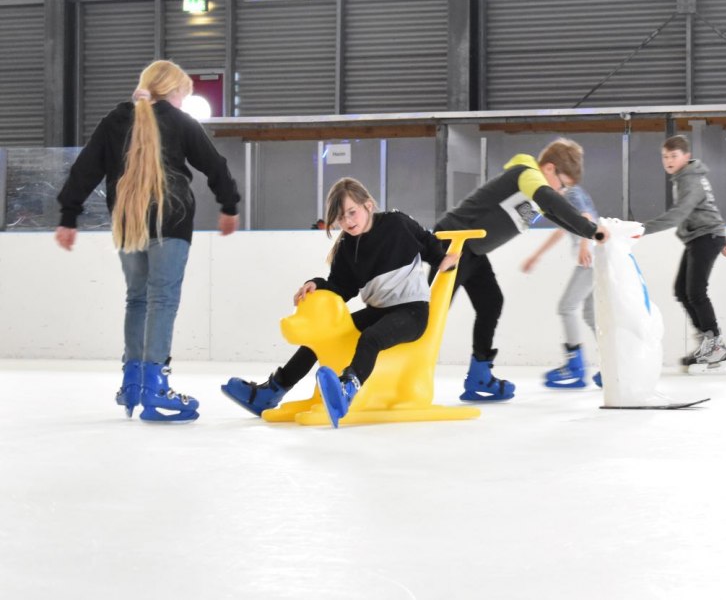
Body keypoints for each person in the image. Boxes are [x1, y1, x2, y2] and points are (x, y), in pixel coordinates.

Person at [56, 60, 240, 423]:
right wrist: (229, 205)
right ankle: (156, 384)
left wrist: (68, 215)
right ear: (173, 92)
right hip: (171, 218)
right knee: (162, 299)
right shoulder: (178, 119)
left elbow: (85, 168)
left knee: (137, 298)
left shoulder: (114, 119)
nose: (183, 103)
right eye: (183, 96)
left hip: (128, 222)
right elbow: (214, 164)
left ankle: (133, 382)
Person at [221, 178, 459, 427]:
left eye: (351, 212)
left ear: (368, 205)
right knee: (325, 336)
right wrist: (317, 284)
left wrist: (443, 258)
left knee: (371, 338)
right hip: (378, 311)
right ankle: (271, 391)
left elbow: (428, 243)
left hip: (412, 311)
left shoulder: (396, 224)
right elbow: (341, 288)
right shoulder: (347, 246)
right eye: (340, 219)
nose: (348, 222)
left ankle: (347, 390)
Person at [430, 139, 609, 401]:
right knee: (431, 313)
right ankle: (394, 373)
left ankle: (479, 375)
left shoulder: (532, 189)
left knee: (491, 302)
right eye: (562, 183)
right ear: (549, 169)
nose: (561, 191)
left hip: (472, 249)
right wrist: (591, 230)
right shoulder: (528, 175)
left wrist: (590, 234)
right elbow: (549, 200)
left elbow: (554, 214)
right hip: (453, 243)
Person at [641, 135, 726, 374]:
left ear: (685, 155)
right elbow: (706, 208)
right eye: (665, 156)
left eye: (673, 156)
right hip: (702, 237)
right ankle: (709, 342)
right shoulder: (685, 177)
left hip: (706, 236)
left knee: (695, 291)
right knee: (682, 291)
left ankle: (715, 345)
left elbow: (679, 214)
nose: (668, 161)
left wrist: (642, 228)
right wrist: (721, 237)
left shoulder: (689, 179)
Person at [521, 184, 601, 389]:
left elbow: (587, 216)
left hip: (589, 262)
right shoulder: (567, 198)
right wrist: (536, 256)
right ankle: (612, 365)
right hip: (596, 261)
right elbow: (560, 231)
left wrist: (585, 243)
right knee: (592, 316)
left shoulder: (572, 193)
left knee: (566, 307)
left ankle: (576, 366)